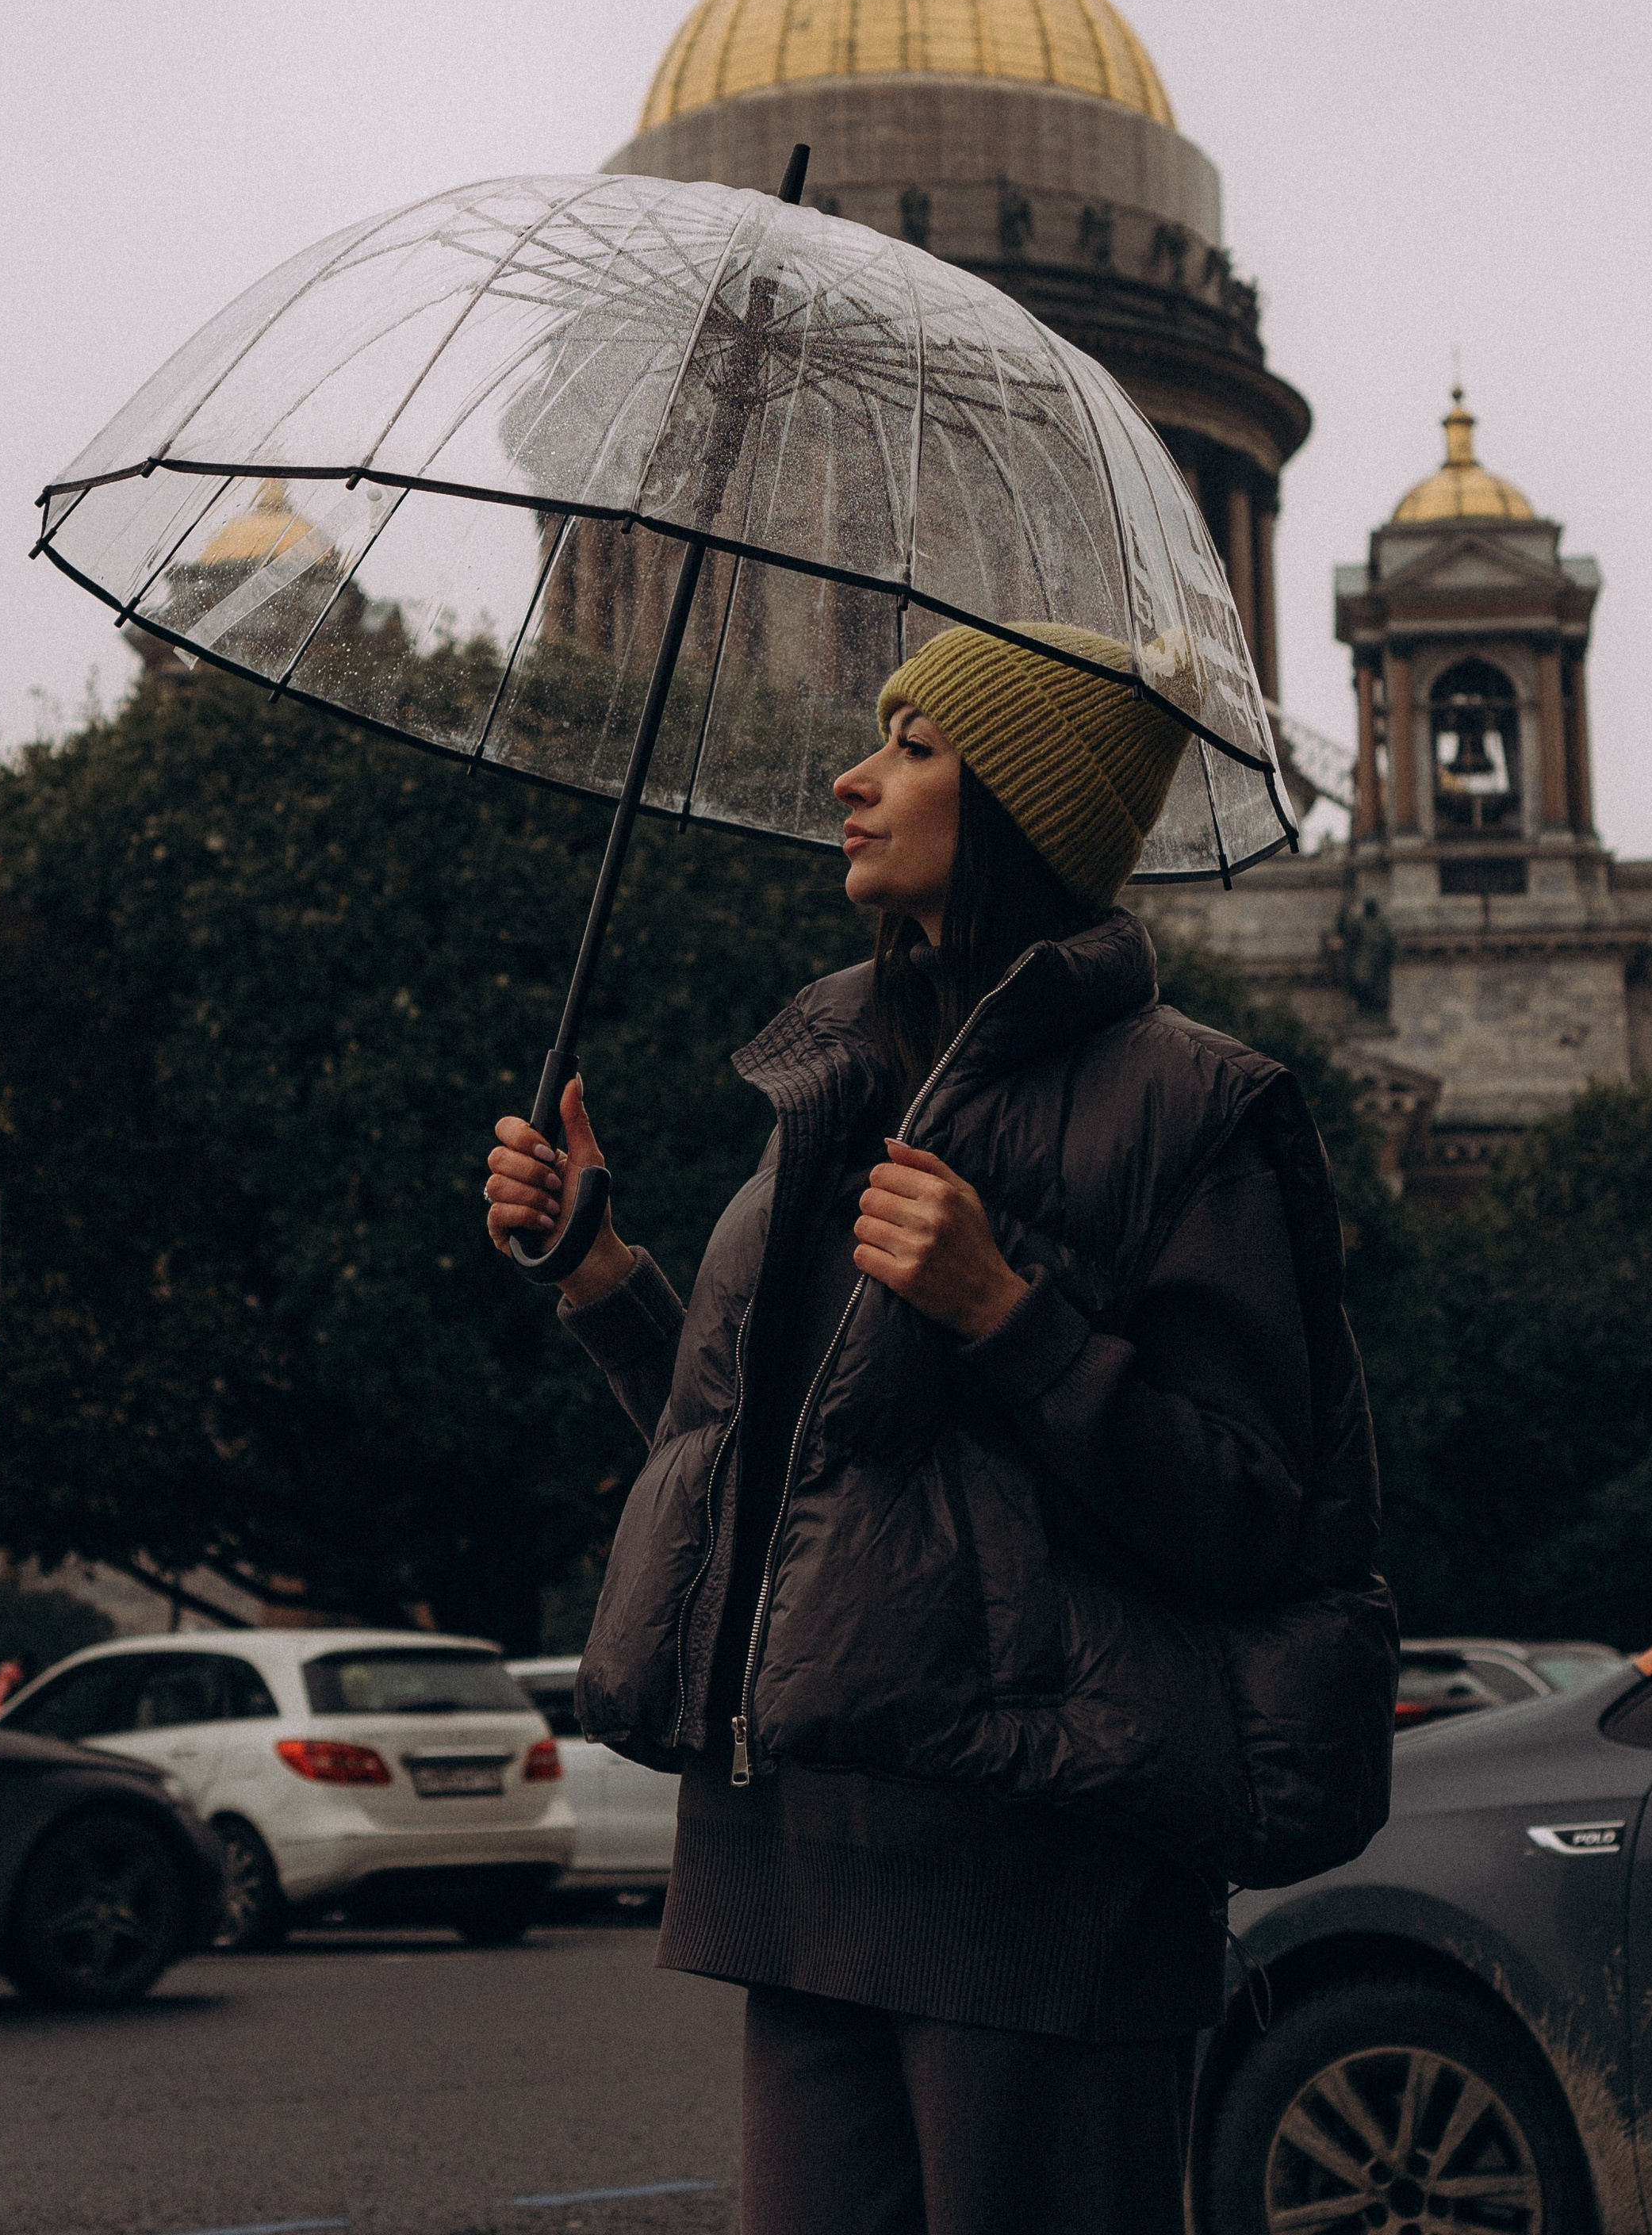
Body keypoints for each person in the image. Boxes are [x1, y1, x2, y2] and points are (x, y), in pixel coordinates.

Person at [485, 623, 1384, 2235]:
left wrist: (1005, 1314)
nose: (853, 777)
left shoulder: (1197, 1104)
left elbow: (1255, 1512)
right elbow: (781, 1468)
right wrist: (600, 1273)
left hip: (1038, 1881)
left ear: (1023, 808)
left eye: (912, 747)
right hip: (799, 1855)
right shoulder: (837, 1079)